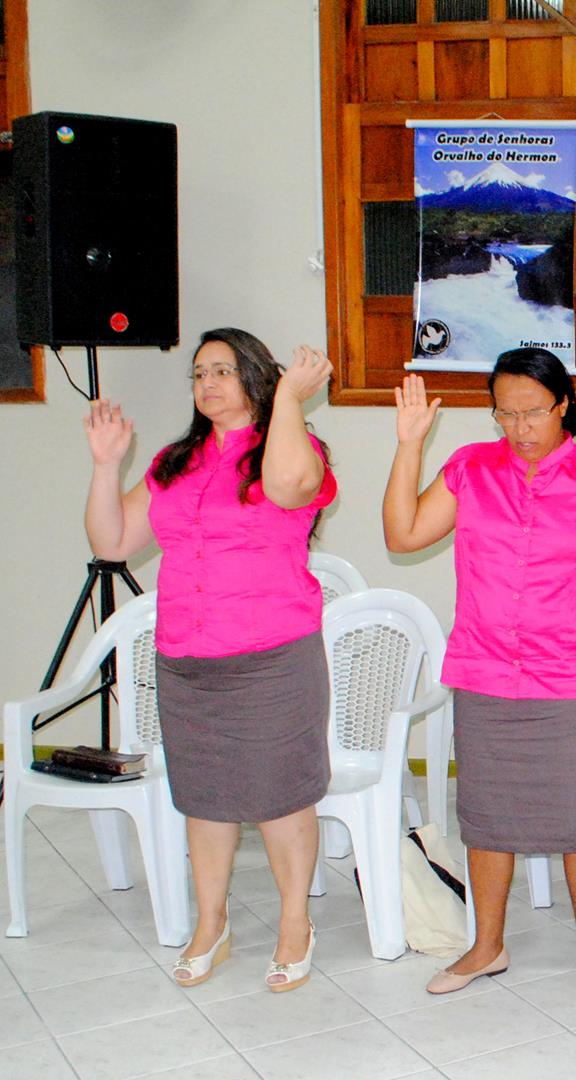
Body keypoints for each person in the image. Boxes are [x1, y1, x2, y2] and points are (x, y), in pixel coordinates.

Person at [382, 347, 576, 1006]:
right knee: (487, 818)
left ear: (563, 406)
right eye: (505, 414)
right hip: (484, 673)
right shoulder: (470, 469)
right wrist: (409, 446)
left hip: (568, 679)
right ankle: (487, 945)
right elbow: (402, 535)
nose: (519, 428)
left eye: (532, 412)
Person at [84, 329, 337, 993]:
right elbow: (113, 541)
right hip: (187, 659)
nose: (208, 383)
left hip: (272, 657)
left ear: (256, 378)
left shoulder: (295, 449)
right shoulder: (176, 462)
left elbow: (287, 487)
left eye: (224, 370)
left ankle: (294, 925)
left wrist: (288, 401)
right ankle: (212, 924)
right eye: (199, 374)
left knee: (282, 797)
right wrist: (106, 466)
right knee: (205, 798)